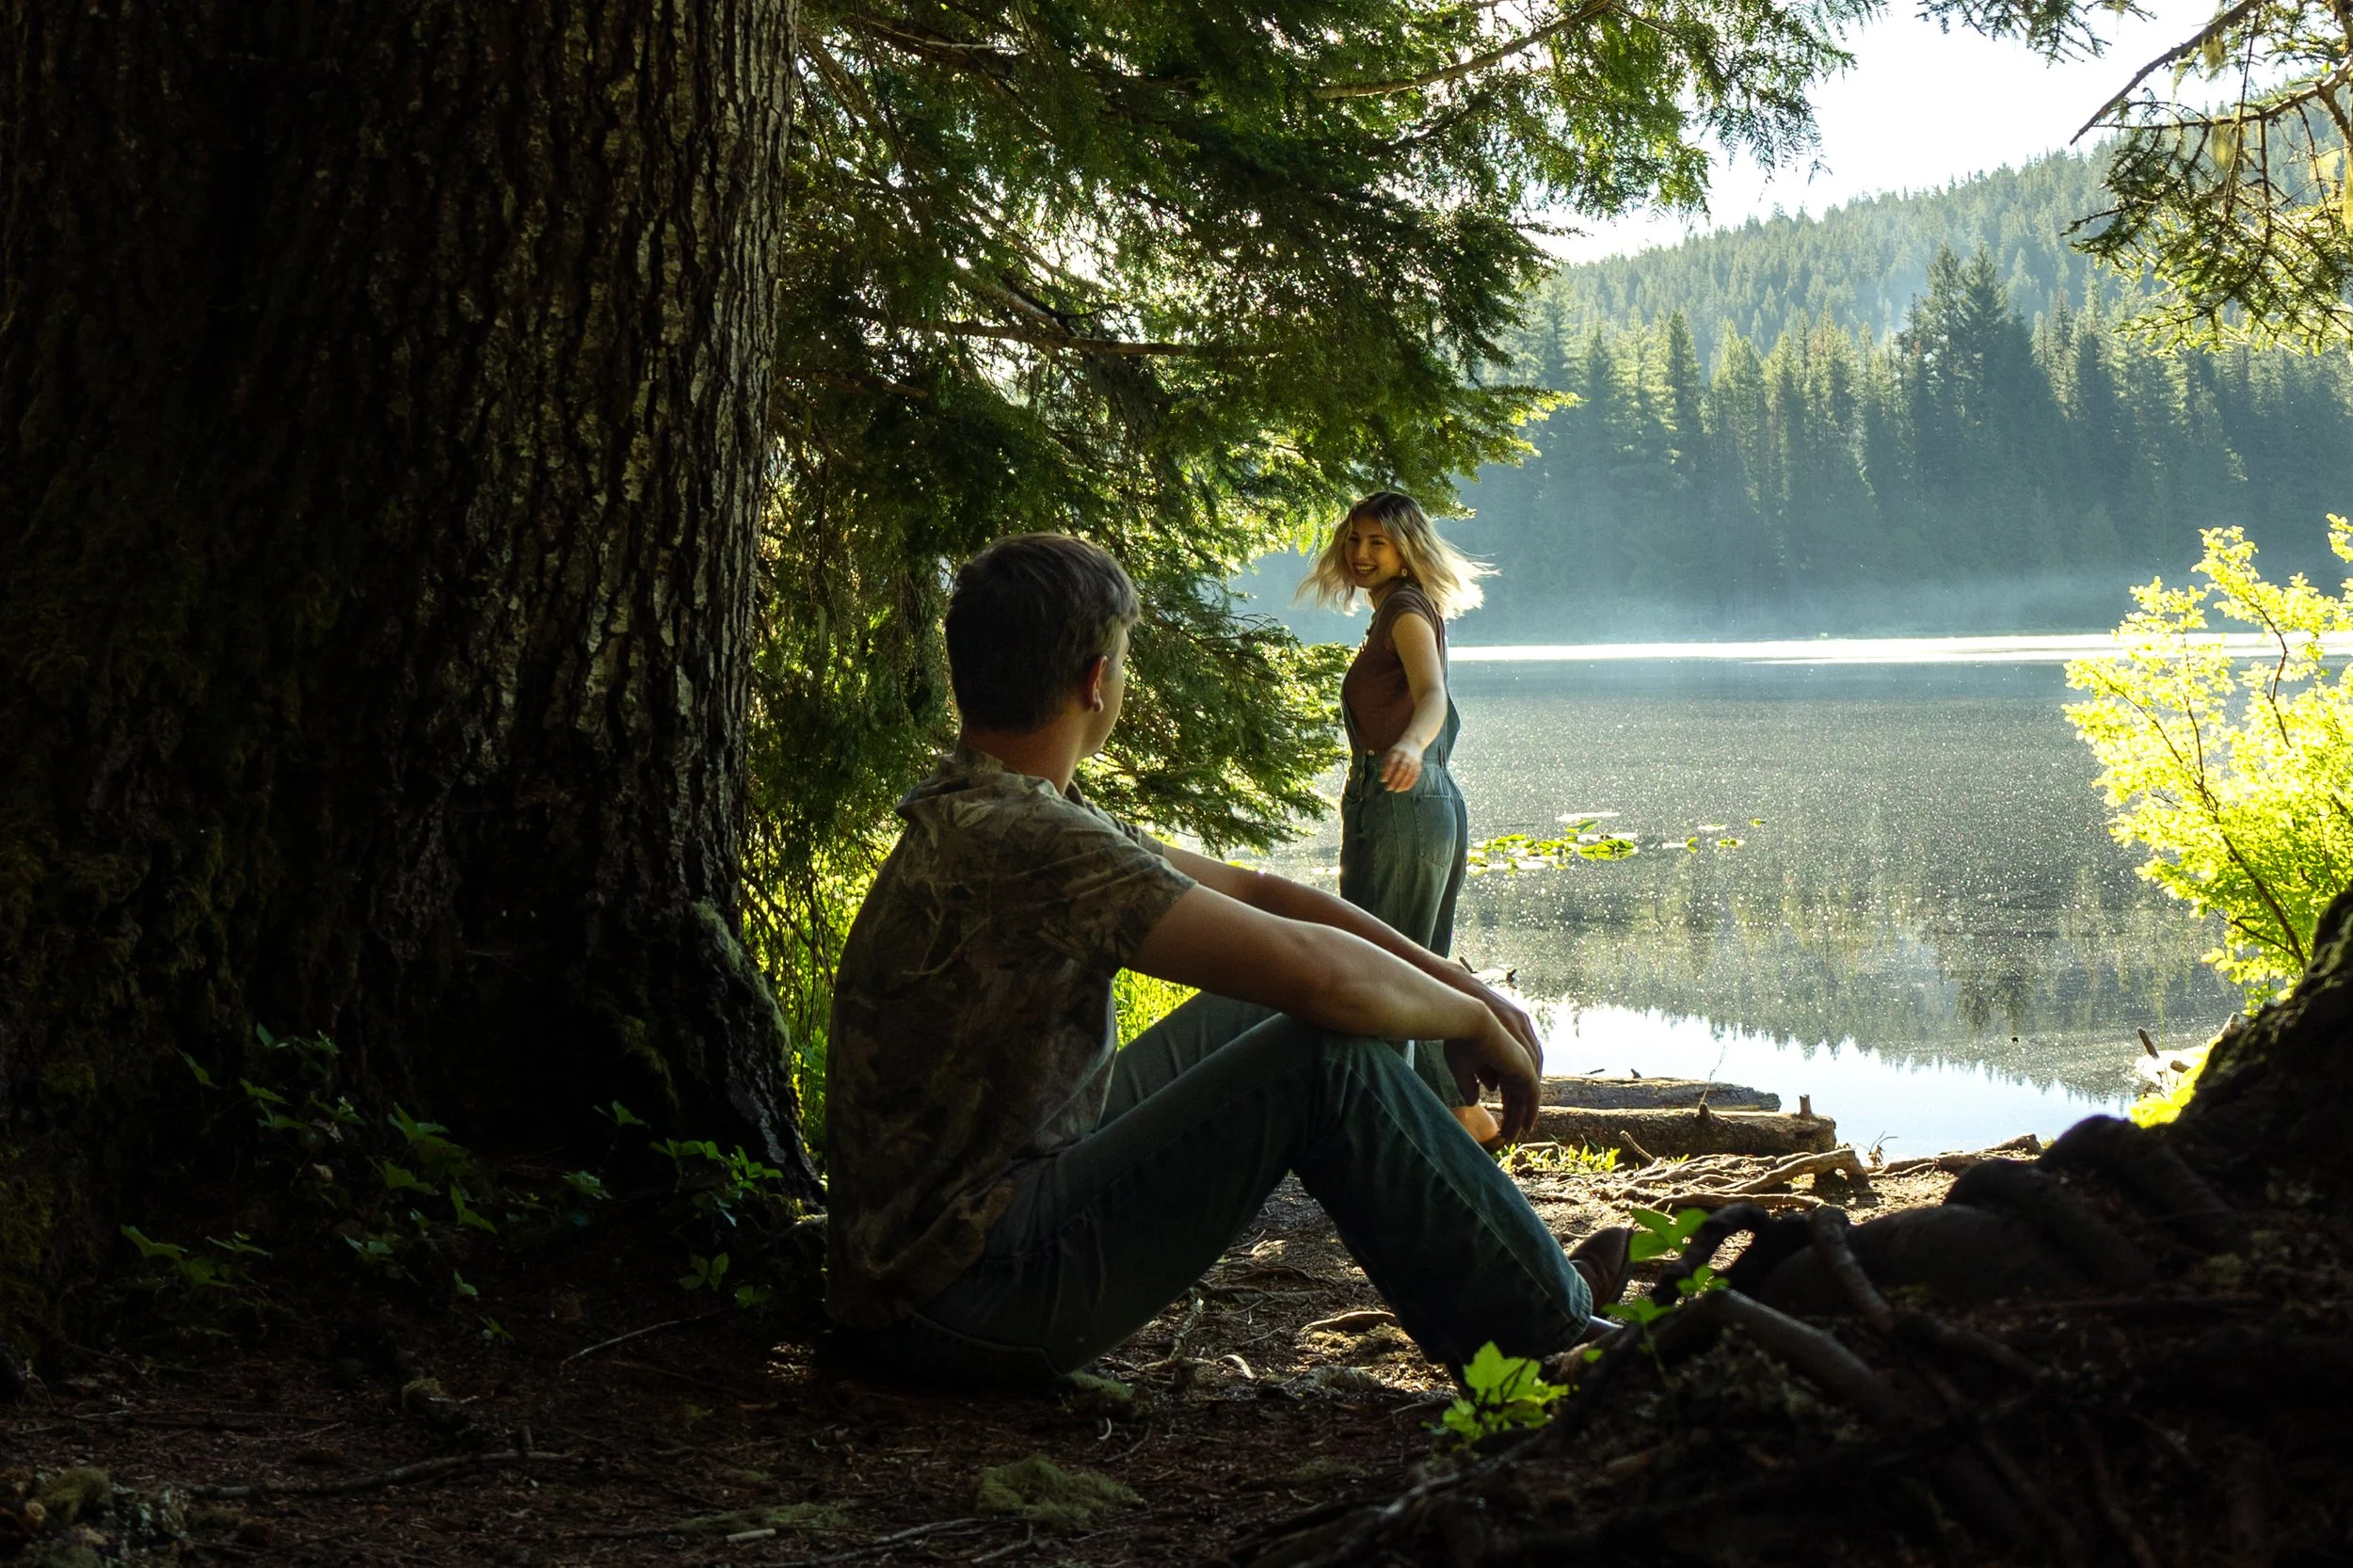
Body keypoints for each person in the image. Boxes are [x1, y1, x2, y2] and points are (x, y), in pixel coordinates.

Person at [824, 533, 1627, 1389]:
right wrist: (1472, 1019)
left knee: (1275, 1011)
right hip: (967, 1297)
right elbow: (1317, 976)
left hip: (956, 1248)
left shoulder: (1003, 804)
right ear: (1098, 681)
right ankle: (1554, 1335)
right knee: (1323, 1056)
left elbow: (1257, 894)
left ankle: (1510, 1274)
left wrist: (1457, 984)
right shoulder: (1033, 839)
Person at [1297, 492, 1497, 1143]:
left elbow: (1433, 693)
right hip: (1413, 803)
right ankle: (1443, 1117)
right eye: (1354, 540)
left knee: (1386, 972)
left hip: (1405, 803)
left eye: (1376, 543)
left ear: (1406, 548)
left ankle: (1463, 1120)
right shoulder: (1395, 612)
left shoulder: (1406, 611)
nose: (1360, 554)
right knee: (1409, 967)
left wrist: (1410, 743)